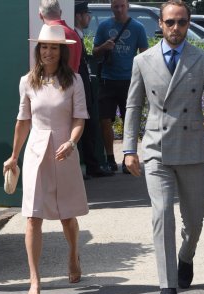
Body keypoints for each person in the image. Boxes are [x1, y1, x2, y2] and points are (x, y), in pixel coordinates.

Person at [123, 1, 204, 294]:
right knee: (162, 213)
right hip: (157, 149)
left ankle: (186, 254)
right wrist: (129, 148)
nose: (176, 28)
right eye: (170, 22)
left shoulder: (203, 59)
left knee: (194, 221)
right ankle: (167, 286)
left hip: (192, 147)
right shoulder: (143, 61)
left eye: (181, 22)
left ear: (188, 23)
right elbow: (133, 106)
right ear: (160, 24)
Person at [3, 24, 89, 294]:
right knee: (32, 217)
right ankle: (35, 280)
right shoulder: (27, 81)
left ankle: (73, 254)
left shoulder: (74, 80)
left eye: (53, 47)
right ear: (37, 49)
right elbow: (23, 121)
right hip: (36, 152)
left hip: (64, 150)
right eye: (44, 47)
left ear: (61, 51)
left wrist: (72, 142)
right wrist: (14, 155)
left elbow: (79, 118)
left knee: (67, 217)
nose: (48, 52)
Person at [92, 0, 148, 173]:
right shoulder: (104, 26)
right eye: (116, 6)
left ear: (127, 6)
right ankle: (110, 158)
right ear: (111, 7)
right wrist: (104, 46)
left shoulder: (138, 27)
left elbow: (145, 54)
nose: (119, 10)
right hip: (107, 80)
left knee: (128, 121)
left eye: (122, 6)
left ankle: (128, 158)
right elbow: (94, 52)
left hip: (129, 81)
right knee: (105, 120)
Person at [74, 1, 114, 178]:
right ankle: (89, 166)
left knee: (89, 129)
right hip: (80, 90)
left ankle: (92, 166)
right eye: (86, 14)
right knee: (85, 130)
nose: (89, 17)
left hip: (85, 89)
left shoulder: (80, 36)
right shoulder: (74, 36)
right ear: (79, 16)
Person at [39, 0, 81, 72]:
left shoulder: (48, 36)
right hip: (74, 81)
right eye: (45, 47)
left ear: (40, 15)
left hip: (56, 81)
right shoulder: (74, 34)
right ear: (60, 12)